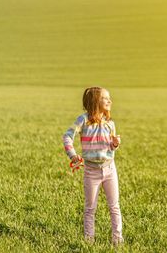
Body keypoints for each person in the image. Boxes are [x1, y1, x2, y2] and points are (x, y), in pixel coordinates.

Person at [62, 86, 123, 245]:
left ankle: (118, 240)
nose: (110, 100)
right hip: (91, 172)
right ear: (95, 101)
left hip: (110, 169)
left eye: (109, 98)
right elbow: (67, 136)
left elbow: (109, 147)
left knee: (114, 206)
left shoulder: (110, 123)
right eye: (105, 98)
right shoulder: (83, 120)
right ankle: (89, 241)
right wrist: (73, 154)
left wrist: (114, 144)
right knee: (90, 209)